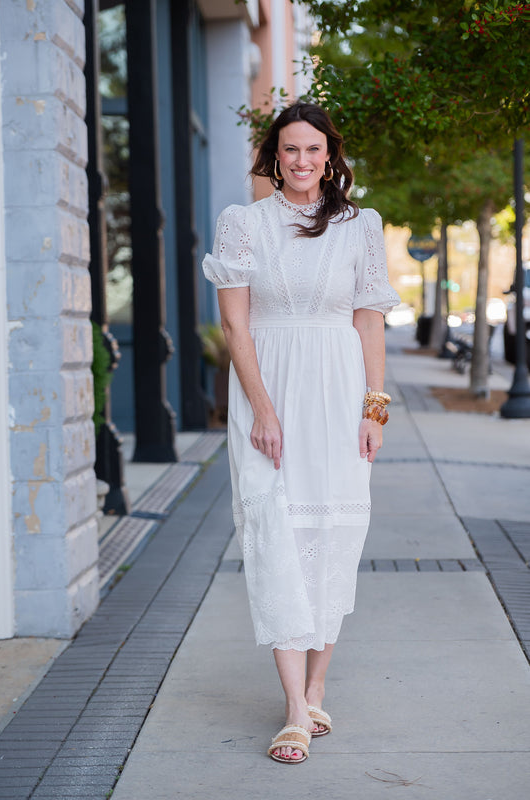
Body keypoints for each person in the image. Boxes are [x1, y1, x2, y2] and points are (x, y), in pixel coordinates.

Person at [202, 102, 399, 764]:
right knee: (277, 536)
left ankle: (315, 689)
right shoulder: (243, 224)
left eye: (313, 150)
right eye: (290, 150)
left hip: (339, 394)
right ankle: (291, 709)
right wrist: (261, 409)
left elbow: (368, 321)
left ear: (330, 155)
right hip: (271, 391)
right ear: (272, 156)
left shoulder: (359, 226)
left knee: (334, 536)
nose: (303, 161)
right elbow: (235, 328)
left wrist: (374, 410)